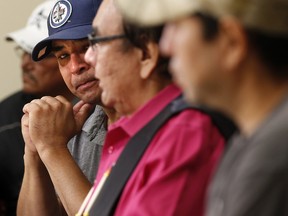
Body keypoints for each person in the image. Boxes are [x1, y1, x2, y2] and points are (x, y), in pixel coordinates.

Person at [116, 0, 288, 215]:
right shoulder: (248, 141)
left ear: (231, 41)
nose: (165, 46)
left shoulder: (270, 158)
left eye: (176, 26)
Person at [72, 0, 234, 215]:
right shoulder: (128, 130)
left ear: (146, 54)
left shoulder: (183, 134)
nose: (89, 58)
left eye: (96, 42)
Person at [16, 0, 120, 215]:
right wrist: (35, 152)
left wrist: (52, 148)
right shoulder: (78, 125)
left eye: (88, 46)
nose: (75, 66)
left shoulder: (169, 121)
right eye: (63, 55)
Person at [0, 1, 75, 215]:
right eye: (22, 52)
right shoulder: (4, 122)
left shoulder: (107, 111)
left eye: (38, 54)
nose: (25, 63)